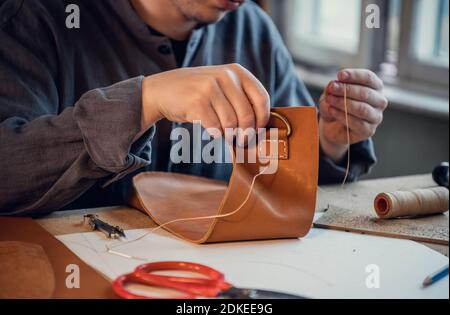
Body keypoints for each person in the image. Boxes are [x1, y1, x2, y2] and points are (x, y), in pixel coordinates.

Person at [0, 0, 388, 216]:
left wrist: (331, 139)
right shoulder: (38, 18)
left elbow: (291, 184)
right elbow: (8, 172)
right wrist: (145, 100)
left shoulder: (253, 27)